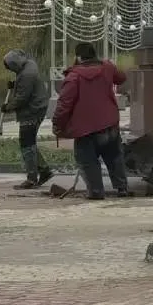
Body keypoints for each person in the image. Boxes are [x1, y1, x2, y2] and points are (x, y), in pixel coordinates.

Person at [51, 42, 130, 199]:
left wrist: (57, 124)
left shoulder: (74, 77)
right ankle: (122, 188)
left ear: (78, 57)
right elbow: (121, 78)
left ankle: (96, 191)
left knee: (87, 161)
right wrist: (109, 65)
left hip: (86, 129)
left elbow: (64, 104)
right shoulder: (107, 68)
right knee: (114, 157)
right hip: (110, 123)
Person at [2, 49, 53, 189]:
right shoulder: (29, 64)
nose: (11, 70)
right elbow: (25, 85)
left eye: (11, 68)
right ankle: (44, 170)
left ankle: (32, 178)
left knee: (26, 144)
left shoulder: (26, 75)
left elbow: (22, 98)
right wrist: (15, 85)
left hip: (32, 111)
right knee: (30, 143)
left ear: (14, 64)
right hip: (38, 107)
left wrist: (8, 107)